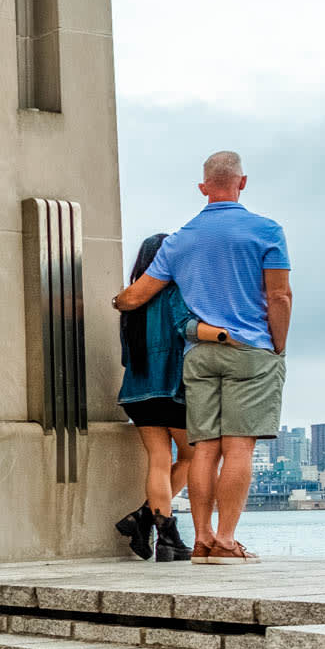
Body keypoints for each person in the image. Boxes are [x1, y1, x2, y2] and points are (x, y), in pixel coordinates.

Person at [113, 150, 291, 565]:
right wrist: (276, 344)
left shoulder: (179, 240)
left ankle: (202, 540)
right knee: (239, 448)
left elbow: (136, 295)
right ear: (242, 183)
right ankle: (226, 541)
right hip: (250, 348)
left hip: (197, 356)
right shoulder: (266, 230)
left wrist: (116, 299)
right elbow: (280, 295)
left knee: (205, 447)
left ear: (203, 187)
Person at [112, 233, 200, 562]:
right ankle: (151, 523)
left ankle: (159, 532)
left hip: (137, 391)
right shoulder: (176, 293)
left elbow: (125, 356)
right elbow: (186, 332)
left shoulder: (129, 303)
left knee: (159, 461)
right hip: (170, 388)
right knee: (194, 457)